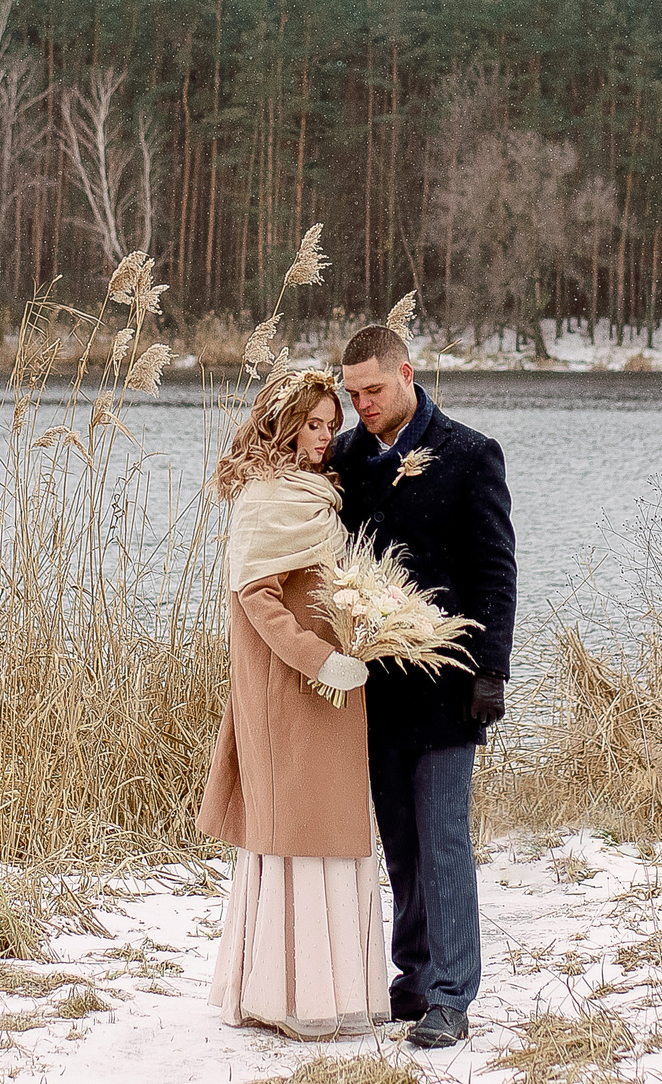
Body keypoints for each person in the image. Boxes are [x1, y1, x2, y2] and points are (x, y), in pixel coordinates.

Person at [327, 325, 516, 1050]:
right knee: (399, 841)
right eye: (352, 394)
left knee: (442, 840)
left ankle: (451, 994)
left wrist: (490, 672)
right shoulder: (347, 457)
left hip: (448, 685)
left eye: (372, 390)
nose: (361, 404)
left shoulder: (471, 454)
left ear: (406, 374)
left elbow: (497, 570)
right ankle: (413, 973)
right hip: (373, 688)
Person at [198, 367, 391, 1040]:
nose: (324, 439)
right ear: (283, 424)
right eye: (313, 425)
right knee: (295, 838)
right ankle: (289, 994)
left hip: (332, 695)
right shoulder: (267, 498)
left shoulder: (313, 493)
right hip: (292, 693)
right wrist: (320, 657)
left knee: (329, 835)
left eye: (331, 427)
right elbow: (258, 599)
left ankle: (327, 990)